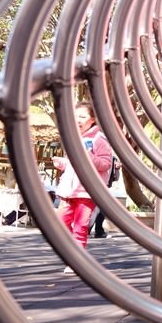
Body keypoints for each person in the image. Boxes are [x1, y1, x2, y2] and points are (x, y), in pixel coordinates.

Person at [53, 102, 113, 273]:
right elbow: (74, 164)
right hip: (69, 190)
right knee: (59, 223)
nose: (78, 119)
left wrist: (88, 157)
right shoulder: (75, 137)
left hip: (86, 190)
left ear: (92, 119)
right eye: (76, 115)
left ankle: (76, 260)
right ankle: (74, 251)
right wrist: (63, 163)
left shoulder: (99, 139)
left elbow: (105, 163)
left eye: (82, 116)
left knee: (80, 226)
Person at [90, 156, 121, 238]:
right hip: (93, 184)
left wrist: (117, 169)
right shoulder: (96, 156)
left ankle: (98, 231)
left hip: (104, 186)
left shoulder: (113, 159)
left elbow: (116, 178)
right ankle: (91, 229)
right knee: (92, 208)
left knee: (101, 209)